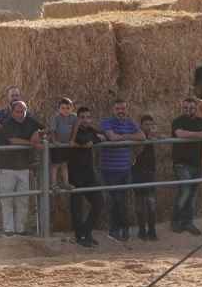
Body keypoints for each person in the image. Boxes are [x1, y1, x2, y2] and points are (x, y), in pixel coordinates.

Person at [0, 97, 42, 236]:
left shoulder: (31, 122)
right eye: (18, 111)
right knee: (7, 199)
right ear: (12, 112)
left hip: (24, 167)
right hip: (6, 166)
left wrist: (37, 133)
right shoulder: (8, 123)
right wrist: (32, 143)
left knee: (23, 200)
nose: (21, 114)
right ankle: (9, 230)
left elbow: (45, 129)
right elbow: (12, 140)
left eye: (23, 111)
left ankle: (20, 229)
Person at [170, 95, 202, 236]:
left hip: (196, 163)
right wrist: (201, 134)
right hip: (181, 163)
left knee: (192, 194)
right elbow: (180, 134)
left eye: (191, 108)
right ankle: (176, 222)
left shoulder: (201, 121)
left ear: (196, 108)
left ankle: (188, 222)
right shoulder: (177, 121)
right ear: (182, 108)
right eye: (185, 108)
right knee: (185, 191)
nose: (188, 110)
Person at [99, 100, 145, 242]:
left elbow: (142, 136)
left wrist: (123, 138)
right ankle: (114, 230)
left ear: (127, 109)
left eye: (123, 108)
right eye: (118, 108)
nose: (121, 111)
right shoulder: (106, 122)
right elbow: (112, 137)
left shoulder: (130, 123)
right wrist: (128, 138)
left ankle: (123, 229)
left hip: (125, 168)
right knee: (114, 200)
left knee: (123, 200)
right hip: (109, 169)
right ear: (113, 109)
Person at [67, 106, 105, 247]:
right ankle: (80, 236)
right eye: (82, 117)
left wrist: (94, 139)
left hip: (89, 172)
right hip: (75, 172)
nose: (85, 120)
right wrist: (93, 140)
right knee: (77, 206)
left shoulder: (90, 130)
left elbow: (99, 138)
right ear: (77, 119)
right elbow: (84, 140)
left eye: (88, 117)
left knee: (99, 202)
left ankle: (86, 231)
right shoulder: (73, 131)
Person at [132, 114, 158, 241]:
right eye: (146, 125)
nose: (149, 127)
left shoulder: (153, 135)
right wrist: (146, 139)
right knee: (140, 202)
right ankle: (142, 230)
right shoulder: (137, 135)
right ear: (141, 125)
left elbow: (163, 137)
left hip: (150, 171)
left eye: (151, 125)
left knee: (151, 201)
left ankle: (152, 230)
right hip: (137, 171)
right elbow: (136, 152)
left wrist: (154, 137)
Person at [48, 98, 78, 193]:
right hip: (57, 144)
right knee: (55, 165)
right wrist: (54, 141)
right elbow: (52, 130)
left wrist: (72, 140)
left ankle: (66, 183)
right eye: (63, 108)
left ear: (72, 108)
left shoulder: (73, 117)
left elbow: (75, 128)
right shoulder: (55, 118)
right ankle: (53, 184)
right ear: (59, 109)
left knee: (64, 164)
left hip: (66, 144)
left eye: (68, 108)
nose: (65, 110)